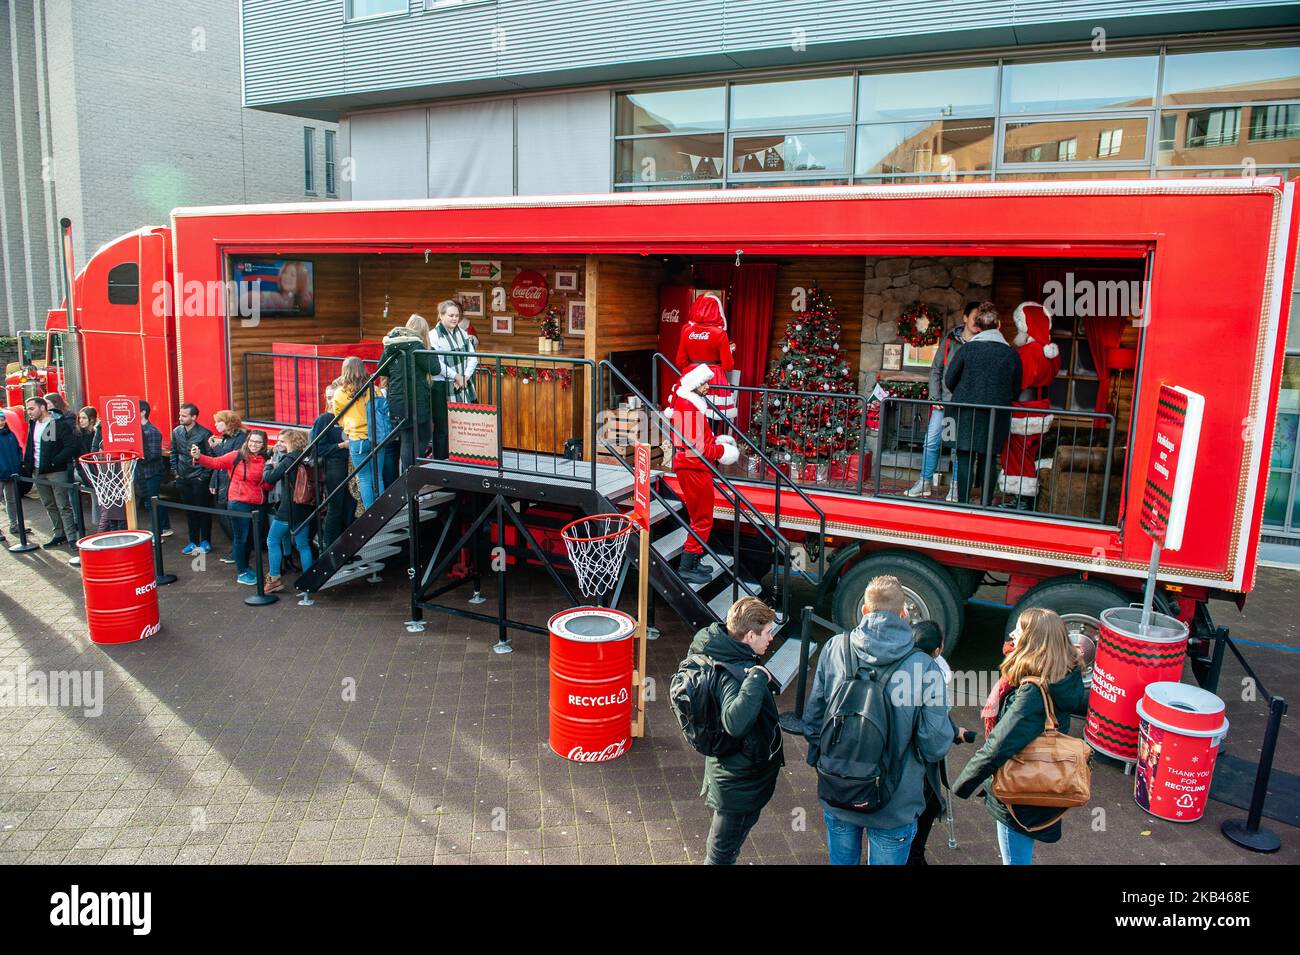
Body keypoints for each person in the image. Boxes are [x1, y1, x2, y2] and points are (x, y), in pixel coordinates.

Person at [802, 575, 953, 865]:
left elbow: (813, 721)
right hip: (895, 801)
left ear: (864, 610)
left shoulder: (835, 648)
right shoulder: (923, 667)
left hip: (840, 788)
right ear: (903, 613)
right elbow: (934, 745)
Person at [952, 607, 1088, 865]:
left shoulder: (1032, 693)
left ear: (1034, 642)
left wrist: (964, 783)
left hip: (1021, 789)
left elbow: (998, 746)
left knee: (1015, 859)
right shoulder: (1064, 674)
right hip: (1045, 778)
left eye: (1020, 630)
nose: (1013, 635)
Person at [687, 596, 784, 865]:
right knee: (721, 854)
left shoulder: (717, 649)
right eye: (767, 633)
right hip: (738, 783)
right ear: (750, 635)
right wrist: (757, 677)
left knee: (724, 846)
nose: (770, 639)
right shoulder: (736, 672)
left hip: (729, 773)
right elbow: (735, 722)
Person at [906, 619, 975, 865]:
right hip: (917, 756)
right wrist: (951, 733)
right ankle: (914, 855)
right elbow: (934, 727)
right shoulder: (935, 673)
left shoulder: (899, 662)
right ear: (938, 649)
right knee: (929, 802)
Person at [666, 363, 740, 585]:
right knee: (702, 518)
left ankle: (694, 560)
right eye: (703, 383)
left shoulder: (689, 404)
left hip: (694, 466)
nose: (708, 387)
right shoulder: (688, 407)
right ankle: (687, 567)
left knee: (702, 516)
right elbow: (698, 448)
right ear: (694, 385)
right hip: (693, 467)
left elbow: (697, 441)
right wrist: (723, 451)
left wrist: (716, 443)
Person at [943, 302, 1021, 506]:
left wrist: (966, 392)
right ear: (999, 325)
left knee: (965, 456)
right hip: (997, 413)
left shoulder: (968, 349)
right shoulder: (1011, 354)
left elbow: (949, 379)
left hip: (964, 411)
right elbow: (1016, 388)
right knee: (989, 458)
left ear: (978, 326)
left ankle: (963, 503)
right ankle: (985, 504)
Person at [907, 301, 980, 501]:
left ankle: (955, 487)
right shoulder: (950, 340)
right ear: (965, 318)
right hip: (943, 403)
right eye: (975, 317)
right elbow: (936, 370)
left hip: (964, 406)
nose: (977, 322)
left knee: (958, 447)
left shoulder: (982, 343)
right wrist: (934, 397)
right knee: (931, 442)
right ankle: (925, 482)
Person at [998, 302, 1062, 511]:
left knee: (1017, 453)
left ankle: (1022, 499)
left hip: (1023, 407)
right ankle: (1021, 498)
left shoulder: (1028, 351)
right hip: (1040, 406)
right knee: (1028, 452)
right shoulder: (1050, 351)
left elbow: (1018, 381)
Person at [193, 429, 271, 586]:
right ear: (247, 441)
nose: (254, 445)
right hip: (239, 502)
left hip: (258, 503)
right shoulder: (236, 456)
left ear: (263, 445)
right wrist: (198, 457)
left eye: (258, 442)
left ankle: (246, 567)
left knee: (251, 538)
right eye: (252, 441)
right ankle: (241, 572)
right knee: (241, 538)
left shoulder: (265, 459)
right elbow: (215, 463)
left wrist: (270, 471)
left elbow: (268, 484)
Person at [260, 428, 315, 593]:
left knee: (272, 540)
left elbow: (269, 478)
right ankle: (309, 579)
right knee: (303, 545)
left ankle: (274, 579)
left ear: (292, 442)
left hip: (288, 508)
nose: (279, 443)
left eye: (282, 441)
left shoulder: (288, 459)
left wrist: (268, 466)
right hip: (304, 506)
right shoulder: (304, 457)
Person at [381, 314, 438, 471]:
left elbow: (382, 369)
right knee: (424, 434)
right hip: (417, 399)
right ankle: (412, 472)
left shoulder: (391, 346)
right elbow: (435, 368)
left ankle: (407, 477)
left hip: (397, 399)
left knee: (407, 439)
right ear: (423, 332)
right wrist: (430, 350)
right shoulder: (417, 347)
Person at [22, 396, 79, 548]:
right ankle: (59, 534)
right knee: (49, 504)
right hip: (37, 470)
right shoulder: (32, 424)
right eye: (27, 409)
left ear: (42, 408)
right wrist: (28, 465)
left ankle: (72, 537)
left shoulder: (59, 424)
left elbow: (71, 446)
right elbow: (31, 446)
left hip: (56, 471)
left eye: (31, 409)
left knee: (63, 504)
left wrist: (55, 461)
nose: (29, 412)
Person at [675, 292, 737, 425]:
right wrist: (729, 351)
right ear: (717, 310)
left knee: (689, 421)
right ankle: (709, 444)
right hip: (713, 380)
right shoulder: (720, 333)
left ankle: (690, 445)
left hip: (692, 378)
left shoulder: (687, 330)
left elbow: (680, 361)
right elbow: (728, 366)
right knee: (711, 422)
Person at [430, 300, 477, 460]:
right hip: (441, 386)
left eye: (457, 315)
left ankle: (461, 458)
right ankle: (441, 462)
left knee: (462, 423)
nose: (454, 318)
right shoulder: (433, 336)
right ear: (441, 316)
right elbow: (437, 364)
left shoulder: (462, 334)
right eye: (450, 315)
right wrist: (455, 376)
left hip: (462, 384)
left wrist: (464, 377)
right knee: (443, 427)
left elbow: (473, 357)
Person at [333, 357, 380, 510]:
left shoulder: (340, 393)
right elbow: (382, 408)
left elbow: (338, 416)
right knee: (378, 476)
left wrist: (347, 427)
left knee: (365, 478)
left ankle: (371, 514)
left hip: (356, 438)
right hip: (377, 436)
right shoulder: (373, 387)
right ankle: (384, 513)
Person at [311, 384, 352, 550]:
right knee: (336, 507)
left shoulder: (349, 416)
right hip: (334, 466)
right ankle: (329, 548)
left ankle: (348, 546)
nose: (331, 401)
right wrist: (342, 446)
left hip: (352, 465)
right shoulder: (324, 419)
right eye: (328, 398)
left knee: (350, 507)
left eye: (334, 397)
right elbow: (317, 448)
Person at [171, 403, 214, 554]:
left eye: (184, 415)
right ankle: (193, 541)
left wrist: (203, 477)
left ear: (194, 417)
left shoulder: (204, 433)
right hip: (183, 477)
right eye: (180, 414)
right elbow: (173, 453)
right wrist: (176, 473)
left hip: (199, 478)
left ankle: (206, 541)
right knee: (189, 512)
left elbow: (210, 457)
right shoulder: (176, 431)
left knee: (203, 510)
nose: (180, 417)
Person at [206, 411, 248, 563]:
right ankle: (236, 549)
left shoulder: (241, 438)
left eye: (219, 422)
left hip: (232, 484)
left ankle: (238, 552)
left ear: (228, 422)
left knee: (230, 520)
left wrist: (215, 447)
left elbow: (230, 459)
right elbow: (218, 463)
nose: (216, 424)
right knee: (223, 518)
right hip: (221, 482)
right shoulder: (225, 437)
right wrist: (213, 482)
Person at [137, 400, 172, 537]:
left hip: (151, 473)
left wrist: (136, 458)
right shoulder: (139, 430)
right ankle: (165, 527)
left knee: (152, 503)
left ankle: (157, 535)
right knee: (152, 501)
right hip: (142, 473)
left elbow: (154, 455)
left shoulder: (151, 431)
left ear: (143, 412)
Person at [75, 407, 102, 530]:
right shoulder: (78, 436)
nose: (81, 420)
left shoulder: (97, 434)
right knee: (96, 498)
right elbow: (79, 460)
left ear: (91, 419)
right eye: (80, 418)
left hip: (99, 470)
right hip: (87, 471)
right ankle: (99, 526)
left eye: (84, 418)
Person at [0, 411, 23, 543]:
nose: (1, 422)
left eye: (2, 419)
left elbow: (18, 450)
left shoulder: (10, 434)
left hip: (12, 473)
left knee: (12, 500)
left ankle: (14, 524)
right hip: (1, 473)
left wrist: (18, 465)